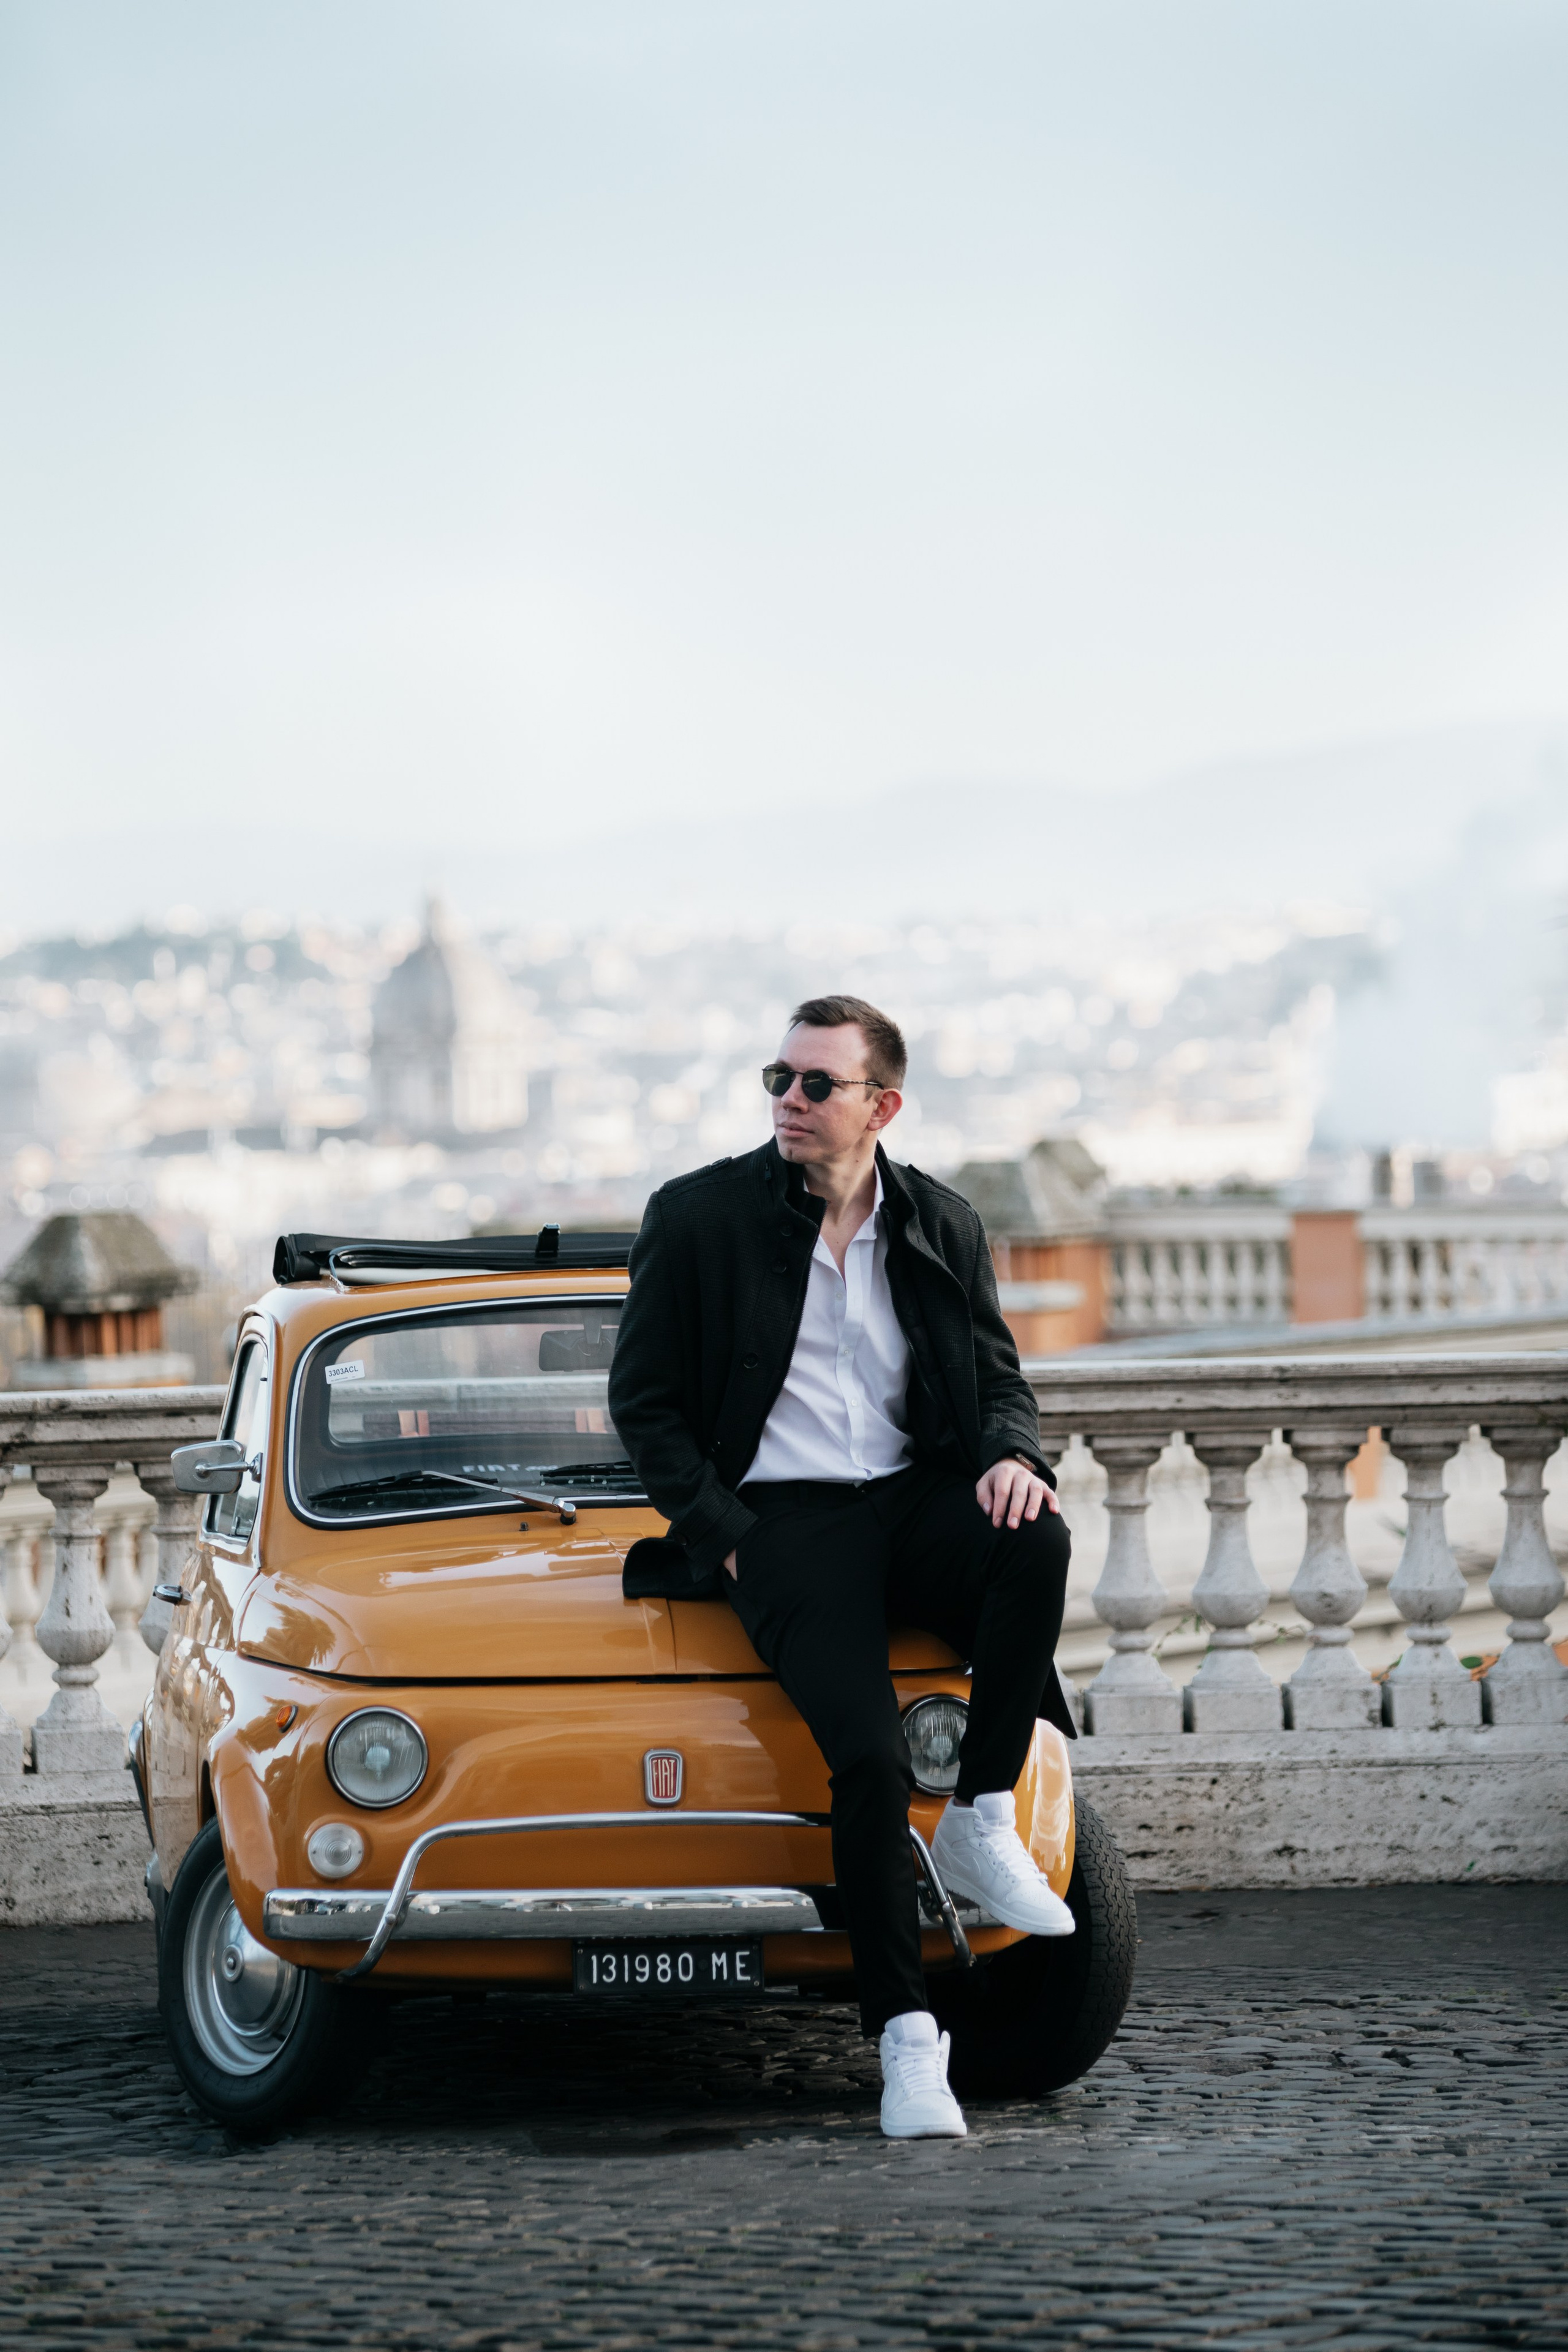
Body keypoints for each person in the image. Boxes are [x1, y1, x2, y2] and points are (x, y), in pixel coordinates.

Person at [608, 993, 1074, 2139]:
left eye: (818, 1084)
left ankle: (979, 1814)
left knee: (1041, 1538)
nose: (791, 1102)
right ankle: (908, 2046)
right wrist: (724, 1535)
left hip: (911, 1499)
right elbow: (644, 1405)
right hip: (784, 1524)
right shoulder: (698, 1217)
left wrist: (1014, 1456)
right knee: (866, 1758)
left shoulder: (941, 1223)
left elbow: (999, 1379)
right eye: (779, 1078)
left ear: (883, 1104)